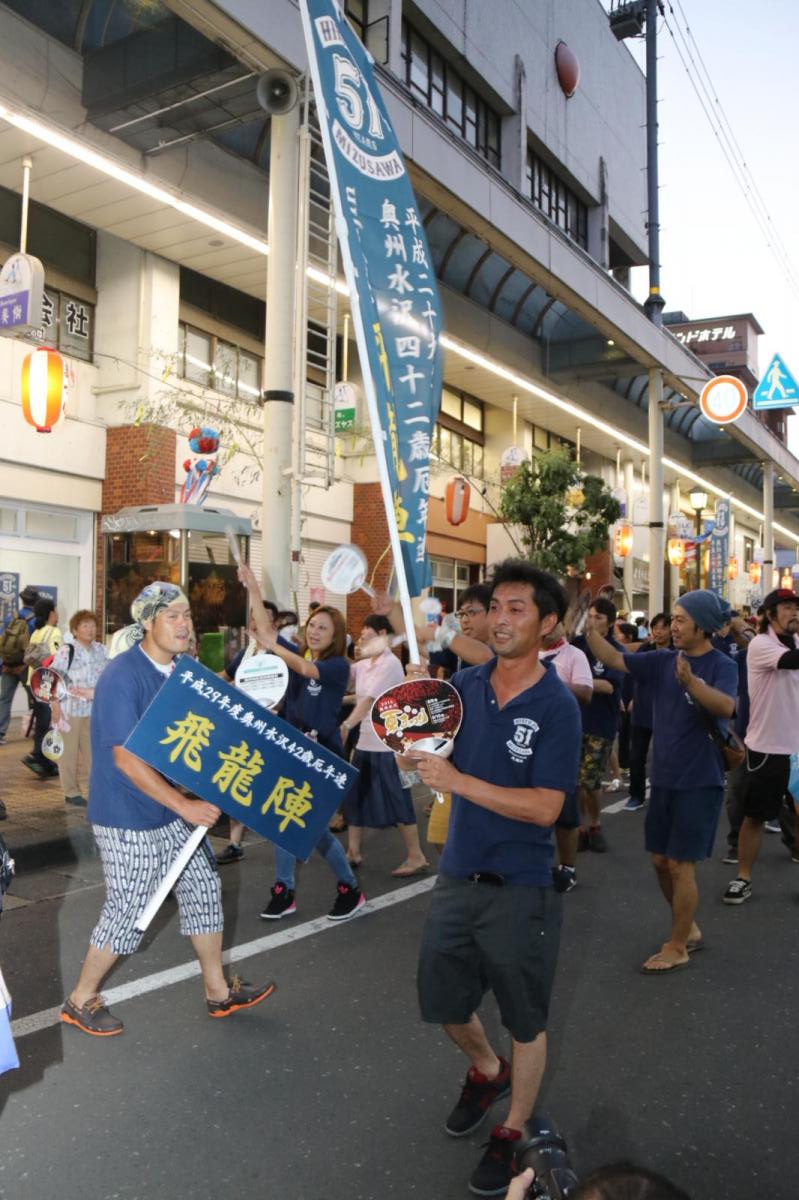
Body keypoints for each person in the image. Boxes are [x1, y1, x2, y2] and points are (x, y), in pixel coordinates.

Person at [413, 559, 581, 1197]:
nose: (501, 620)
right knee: (444, 1002)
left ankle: (514, 1131)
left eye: (518, 609)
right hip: (457, 874)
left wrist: (458, 782)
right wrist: (414, 740)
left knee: (525, 1019)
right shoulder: (462, 686)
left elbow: (546, 808)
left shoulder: (556, 705)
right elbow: (428, 758)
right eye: (496, 608)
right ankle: (487, 1070)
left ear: (548, 624)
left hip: (522, 885)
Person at [61, 582, 275, 1036]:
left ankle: (218, 991)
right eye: (173, 616)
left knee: (203, 889)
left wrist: (257, 719)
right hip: (126, 813)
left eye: (187, 615)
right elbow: (124, 758)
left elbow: (208, 726)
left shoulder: (182, 671)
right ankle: (80, 999)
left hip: (171, 808)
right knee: (130, 906)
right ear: (148, 622)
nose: (184, 624)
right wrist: (185, 805)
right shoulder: (123, 675)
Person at [585, 590, 737, 973]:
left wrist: (692, 684)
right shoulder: (662, 659)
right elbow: (615, 658)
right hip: (665, 778)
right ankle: (689, 928)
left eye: (682, 620)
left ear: (703, 626)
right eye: (673, 619)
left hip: (700, 779)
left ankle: (678, 945)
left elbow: (726, 706)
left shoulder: (721, 664)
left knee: (681, 865)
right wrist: (588, 632)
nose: (673, 626)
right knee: (660, 860)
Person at [238, 563, 366, 922]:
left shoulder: (338, 666)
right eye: (312, 625)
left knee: (304, 825)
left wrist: (273, 647)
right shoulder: (297, 656)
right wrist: (253, 586)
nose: (315, 631)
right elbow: (266, 630)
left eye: (323, 628)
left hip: (322, 757)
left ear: (336, 636)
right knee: (288, 820)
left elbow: (306, 669)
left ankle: (345, 888)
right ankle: (288, 890)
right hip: (292, 751)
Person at [722, 588, 799, 905]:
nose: (794, 612)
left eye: (796, 607)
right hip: (767, 748)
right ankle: (743, 877)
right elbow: (791, 662)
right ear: (769, 614)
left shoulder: (796, 641)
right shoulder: (761, 645)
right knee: (755, 817)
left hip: (797, 749)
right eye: (786, 607)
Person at [341, 614, 429, 874]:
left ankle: (416, 856)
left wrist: (346, 725)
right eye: (360, 637)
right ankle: (353, 851)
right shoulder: (364, 665)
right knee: (355, 797)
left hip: (387, 744)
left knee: (397, 798)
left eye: (366, 637)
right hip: (365, 742)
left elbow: (369, 700)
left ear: (382, 636)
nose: (361, 642)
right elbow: (349, 686)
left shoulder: (390, 664)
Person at [214, 598, 281, 864]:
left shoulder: (280, 654)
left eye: (262, 618)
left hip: (268, 729)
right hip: (242, 727)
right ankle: (235, 842)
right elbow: (225, 676)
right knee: (238, 778)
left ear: (273, 623)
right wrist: (195, 676)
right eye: (253, 617)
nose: (255, 622)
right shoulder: (247, 652)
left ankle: (291, 837)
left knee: (269, 786)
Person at [539, 620, 593, 893]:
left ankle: (568, 867)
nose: (549, 629)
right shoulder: (525, 653)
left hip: (562, 740)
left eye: (555, 623)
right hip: (529, 738)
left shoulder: (574, 655)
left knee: (565, 809)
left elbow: (586, 692)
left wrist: (549, 682)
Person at [572, 598, 624, 852]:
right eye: (590, 616)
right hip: (573, 722)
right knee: (575, 782)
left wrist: (579, 682)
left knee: (590, 781)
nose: (592, 621)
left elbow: (609, 686)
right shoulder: (577, 645)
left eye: (599, 617)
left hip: (600, 724)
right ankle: (581, 828)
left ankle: (595, 824)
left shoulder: (615, 650)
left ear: (610, 623)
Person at [50, 610, 108, 807]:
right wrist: (55, 707)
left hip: (94, 709)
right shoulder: (67, 651)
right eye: (85, 626)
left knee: (94, 752)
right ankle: (71, 792)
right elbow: (53, 679)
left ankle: (97, 790)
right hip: (69, 709)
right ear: (75, 630)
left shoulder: (101, 650)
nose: (90, 629)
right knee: (68, 753)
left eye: (93, 625)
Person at [623, 613, 672, 812]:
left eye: (663, 627)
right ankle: (636, 795)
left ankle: (665, 796)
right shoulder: (645, 649)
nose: (658, 632)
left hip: (667, 712)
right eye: (655, 628)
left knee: (665, 757)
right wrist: (632, 698)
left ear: (670, 630)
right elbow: (632, 672)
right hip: (642, 709)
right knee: (636, 757)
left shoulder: (677, 651)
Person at [22, 598, 63, 779]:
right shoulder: (54, 632)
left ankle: (44, 761)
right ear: (51, 613)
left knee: (42, 722)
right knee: (47, 723)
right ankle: (38, 757)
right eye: (56, 610)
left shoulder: (36, 633)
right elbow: (58, 659)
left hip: (33, 682)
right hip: (47, 685)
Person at [0, 585, 39, 747]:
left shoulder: (10, 617)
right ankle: (35, 729)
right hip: (24, 667)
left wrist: (4, 663)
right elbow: (35, 646)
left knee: (4, 699)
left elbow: (2, 640)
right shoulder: (36, 620)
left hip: (8, 665)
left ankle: (0, 733)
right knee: (35, 697)